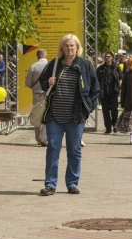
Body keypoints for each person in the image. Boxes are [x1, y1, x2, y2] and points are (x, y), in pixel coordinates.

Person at [38, 34, 99, 196]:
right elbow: (41, 82)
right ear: (62, 48)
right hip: (54, 116)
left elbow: (95, 90)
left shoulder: (85, 65)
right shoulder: (54, 64)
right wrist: (48, 83)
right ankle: (50, 184)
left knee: (74, 150)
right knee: (53, 149)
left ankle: (72, 183)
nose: (69, 48)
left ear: (78, 48)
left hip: (76, 117)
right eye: (66, 46)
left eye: (72, 46)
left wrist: (88, 109)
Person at [25, 49, 49, 146]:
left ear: (37, 56)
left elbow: (28, 83)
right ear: (46, 56)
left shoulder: (33, 66)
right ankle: (44, 137)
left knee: (36, 115)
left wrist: (34, 87)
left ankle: (38, 138)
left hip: (36, 94)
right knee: (46, 116)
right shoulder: (50, 66)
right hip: (47, 94)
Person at [96, 52, 122, 135]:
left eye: (108, 56)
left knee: (114, 110)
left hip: (114, 92)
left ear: (112, 57)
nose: (106, 58)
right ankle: (108, 128)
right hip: (104, 92)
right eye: (105, 56)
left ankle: (115, 126)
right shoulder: (101, 68)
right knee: (105, 111)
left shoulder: (116, 67)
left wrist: (119, 87)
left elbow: (120, 78)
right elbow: (97, 80)